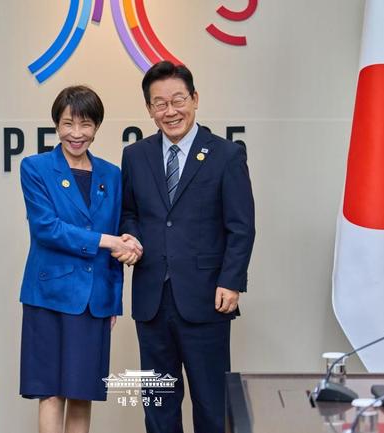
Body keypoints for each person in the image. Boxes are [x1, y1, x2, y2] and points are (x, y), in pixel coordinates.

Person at [118, 61, 255, 433]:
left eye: (178, 100)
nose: (170, 111)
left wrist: (231, 281)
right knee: (158, 405)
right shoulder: (135, 156)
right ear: (149, 108)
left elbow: (241, 227)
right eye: (160, 103)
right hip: (151, 298)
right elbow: (129, 212)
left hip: (207, 297)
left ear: (194, 99)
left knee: (211, 405)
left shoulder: (226, 155)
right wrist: (130, 236)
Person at [19, 85, 142, 433]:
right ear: (56, 125)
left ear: (97, 126)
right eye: (68, 124)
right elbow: (47, 229)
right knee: (50, 392)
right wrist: (107, 241)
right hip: (48, 296)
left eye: (86, 124)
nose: (76, 133)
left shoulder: (111, 175)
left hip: (94, 299)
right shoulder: (35, 167)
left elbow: (117, 231)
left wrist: (113, 300)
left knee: (82, 392)